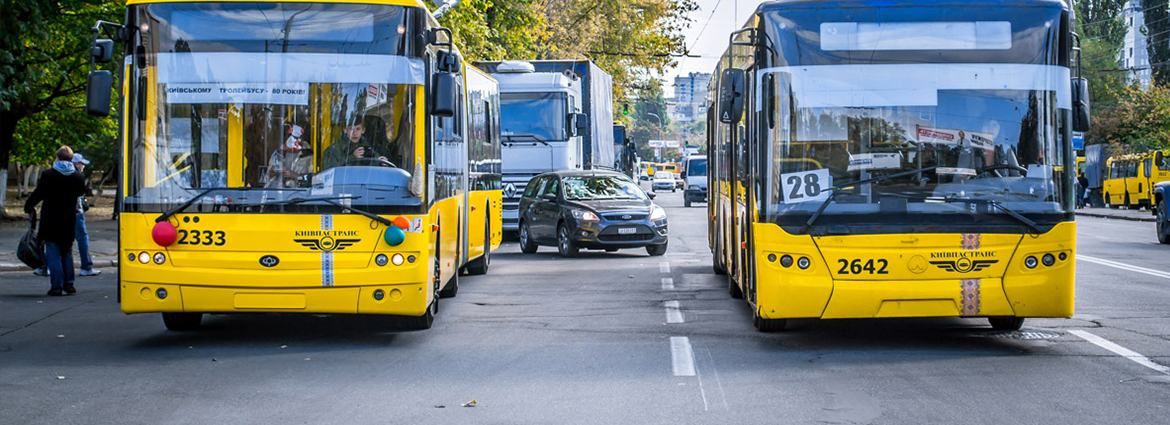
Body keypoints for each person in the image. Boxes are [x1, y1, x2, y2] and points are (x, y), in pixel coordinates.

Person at [25, 147, 88, 296]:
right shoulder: (78, 176)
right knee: (66, 252)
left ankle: (57, 286)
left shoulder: (48, 174)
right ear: (71, 159)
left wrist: (28, 206)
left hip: (50, 219)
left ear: (57, 158)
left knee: (53, 252)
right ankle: (69, 285)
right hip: (68, 219)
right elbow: (81, 192)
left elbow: (39, 193)